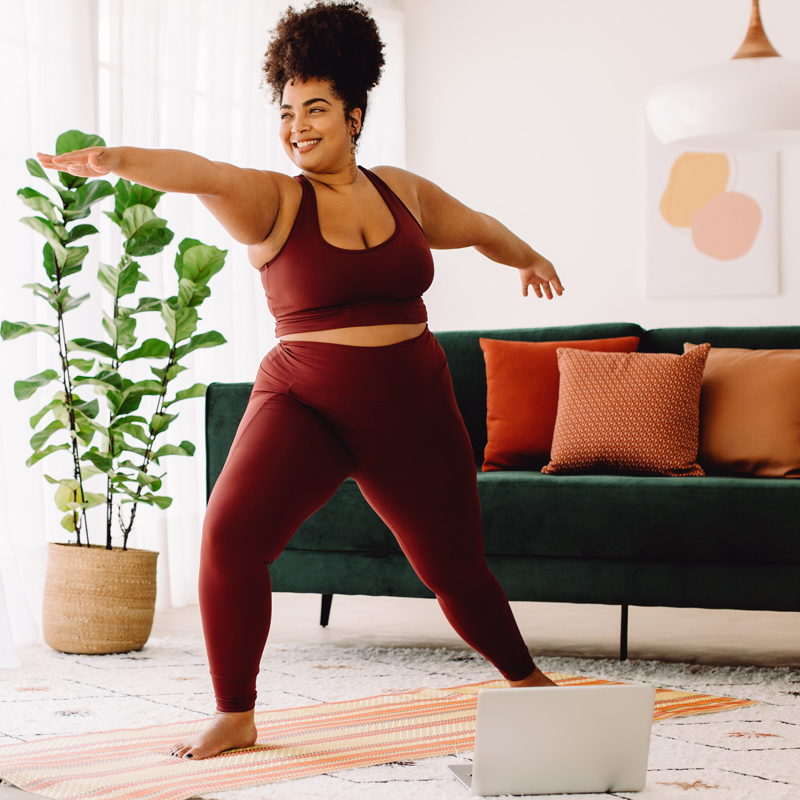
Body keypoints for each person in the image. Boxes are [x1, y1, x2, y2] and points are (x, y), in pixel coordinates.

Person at [39, 0, 564, 761]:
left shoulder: (402, 192)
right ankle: (236, 712)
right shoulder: (276, 200)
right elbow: (203, 174)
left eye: (315, 108)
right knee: (228, 536)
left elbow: (476, 225)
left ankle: (524, 680)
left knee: (454, 568)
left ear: (355, 114)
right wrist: (121, 161)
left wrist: (526, 256)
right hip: (307, 404)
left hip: (414, 406)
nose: (297, 126)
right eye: (286, 111)